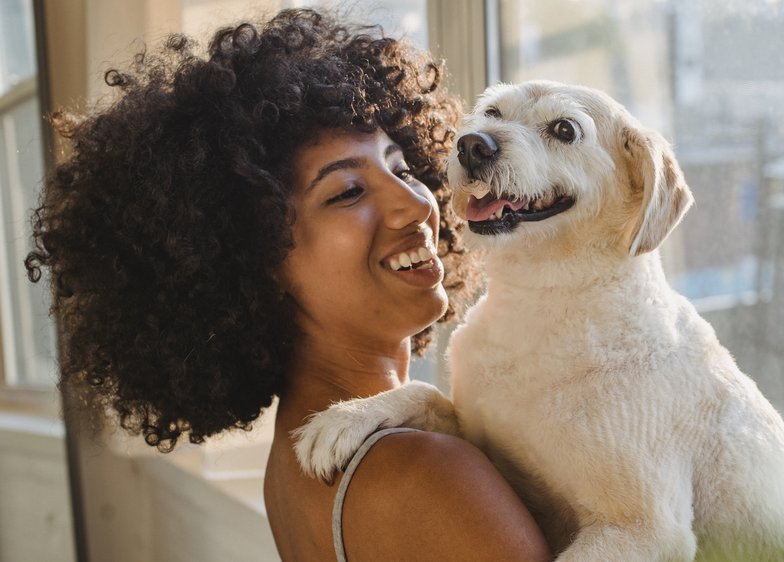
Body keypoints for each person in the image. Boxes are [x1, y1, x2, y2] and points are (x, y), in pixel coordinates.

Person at [25, 9, 551, 561]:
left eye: (400, 167)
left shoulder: (298, 454)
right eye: (347, 192)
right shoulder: (425, 474)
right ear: (252, 265)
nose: (416, 202)